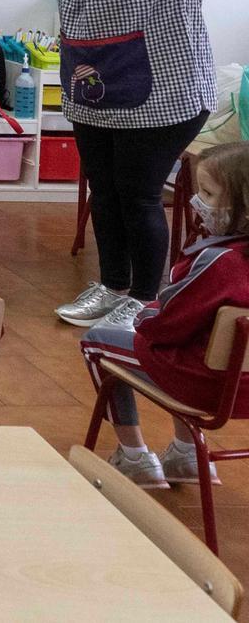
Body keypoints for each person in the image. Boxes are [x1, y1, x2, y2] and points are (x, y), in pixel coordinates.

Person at [31, 0, 216, 328]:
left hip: (164, 91)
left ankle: (144, 299)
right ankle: (113, 287)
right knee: (105, 189)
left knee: (138, 194)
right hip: (95, 90)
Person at [80, 142, 249, 488]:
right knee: (186, 343)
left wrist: (142, 317)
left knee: (96, 340)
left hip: (205, 385)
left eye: (208, 193)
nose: (196, 201)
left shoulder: (218, 262)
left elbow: (167, 325)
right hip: (243, 390)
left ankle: (134, 457)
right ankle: (185, 455)